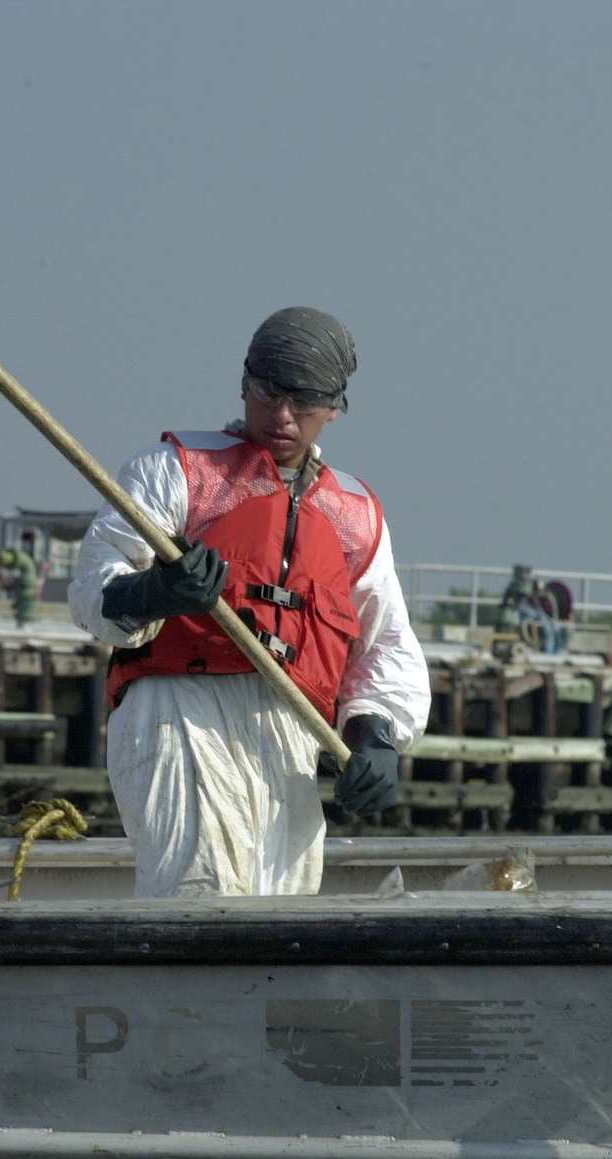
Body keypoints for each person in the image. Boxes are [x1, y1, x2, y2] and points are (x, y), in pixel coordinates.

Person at [68, 306, 431, 897]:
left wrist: (375, 737)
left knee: (280, 914)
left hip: (291, 734)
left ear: (334, 407)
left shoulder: (357, 517)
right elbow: (92, 586)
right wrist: (155, 591)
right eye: (267, 393)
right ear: (243, 385)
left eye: (303, 401)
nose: (282, 415)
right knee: (197, 895)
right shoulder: (174, 473)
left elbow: (385, 643)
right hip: (179, 711)